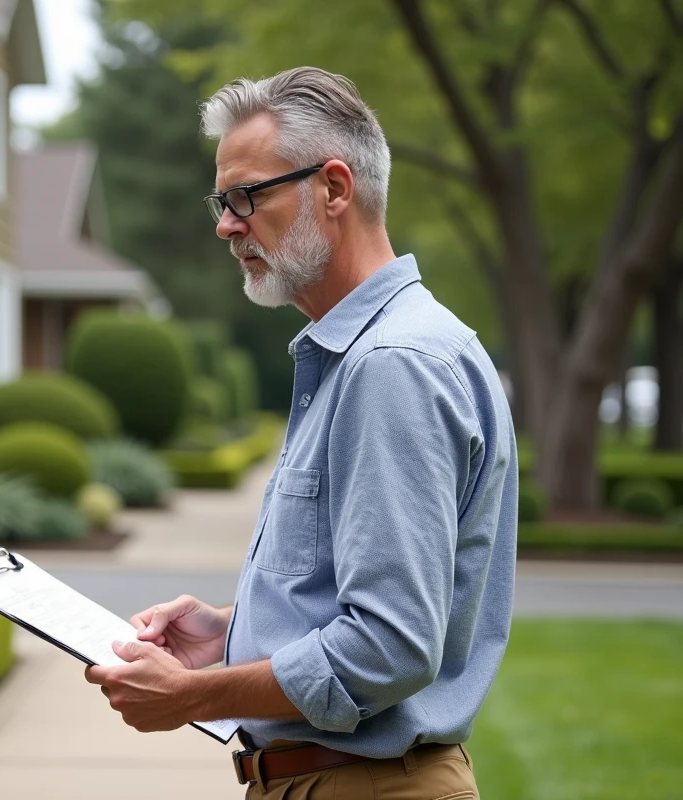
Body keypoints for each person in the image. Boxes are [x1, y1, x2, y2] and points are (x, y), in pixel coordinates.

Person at [83, 66, 518, 798]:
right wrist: (233, 628)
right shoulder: (370, 352)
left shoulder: (391, 366)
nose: (227, 224)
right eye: (222, 201)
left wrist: (198, 696)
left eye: (247, 196)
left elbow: (387, 647)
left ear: (335, 188)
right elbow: (362, 597)